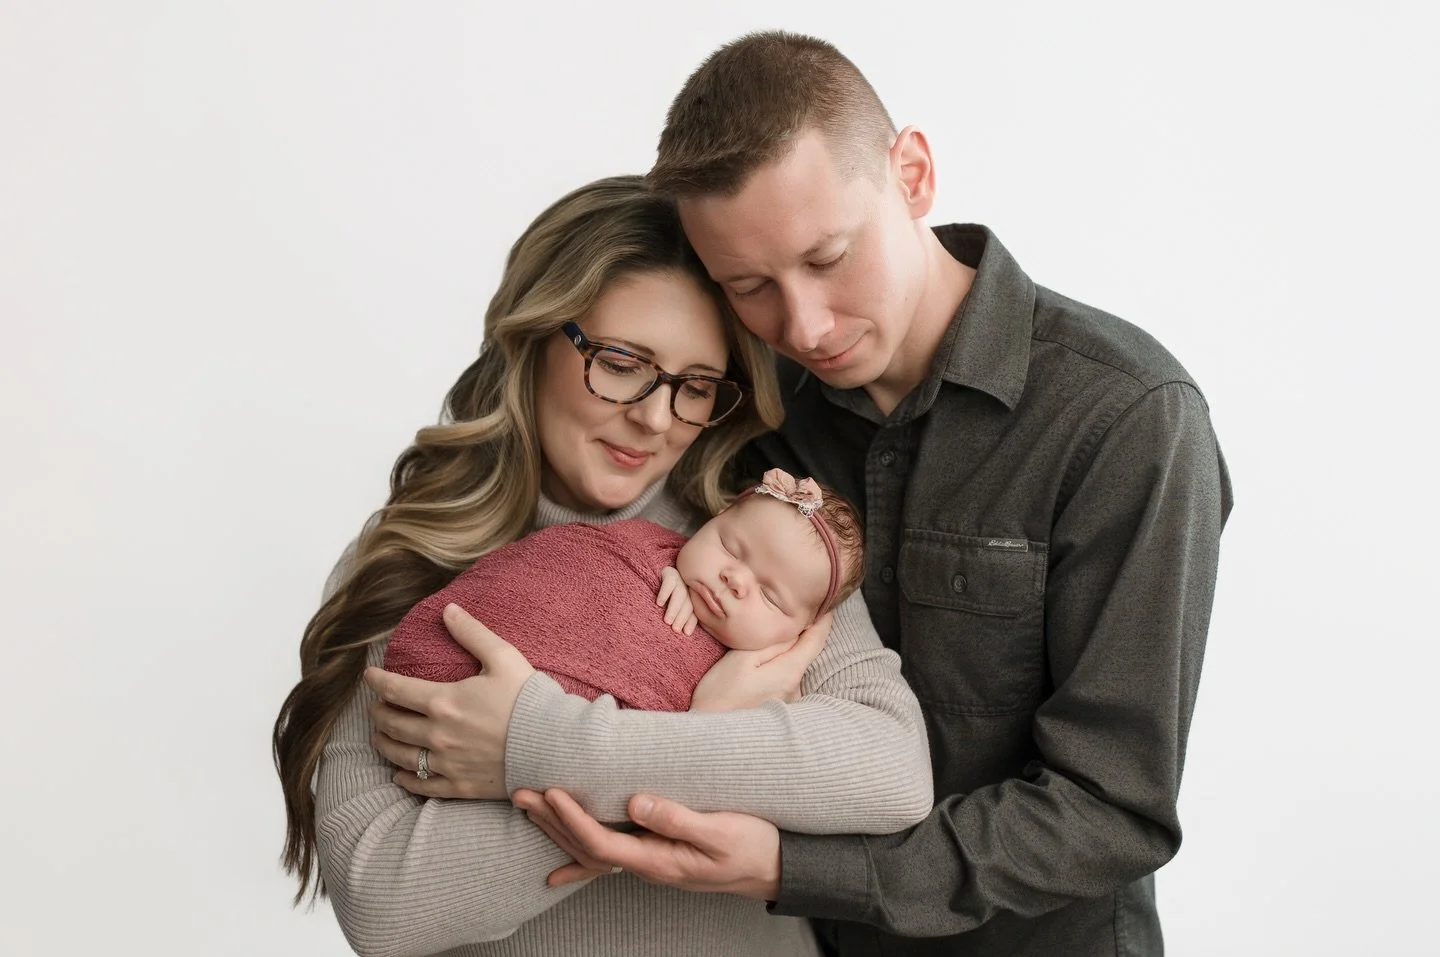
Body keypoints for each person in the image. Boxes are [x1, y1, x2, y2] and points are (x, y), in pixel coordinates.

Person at [454, 32, 1235, 957]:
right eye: (749, 285)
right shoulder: (754, 411)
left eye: (828, 257)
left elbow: (1113, 807)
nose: (804, 325)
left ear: (912, 172)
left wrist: (793, 865)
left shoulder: (1127, 418)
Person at [272, 174, 933, 957]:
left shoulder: (761, 549)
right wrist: (708, 735)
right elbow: (386, 901)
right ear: (535, 336)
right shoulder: (412, 559)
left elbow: (890, 773)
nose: (656, 417)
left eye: (693, 386)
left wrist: (544, 745)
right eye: (622, 362)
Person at [383, 468, 864, 713]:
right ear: (711, 521)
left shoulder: (776, 684)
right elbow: (588, 580)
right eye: (730, 548)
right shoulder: (642, 547)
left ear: (801, 632)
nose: (734, 580)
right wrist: (663, 569)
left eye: (770, 596)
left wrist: (714, 723)